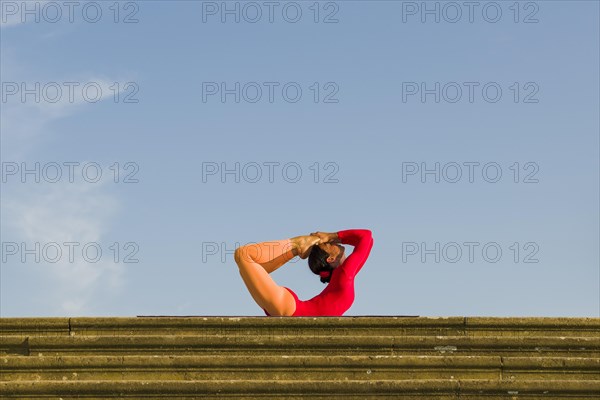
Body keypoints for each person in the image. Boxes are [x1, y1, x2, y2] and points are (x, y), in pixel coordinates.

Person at [234, 229, 373, 316]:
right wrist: (331, 236)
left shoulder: (344, 275)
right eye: (330, 244)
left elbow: (367, 238)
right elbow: (365, 238)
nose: (333, 242)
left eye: (330, 242)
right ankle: (296, 246)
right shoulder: (344, 275)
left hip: (288, 308)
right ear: (330, 258)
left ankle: (297, 248)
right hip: (288, 307)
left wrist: (331, 236)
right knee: (244, 256)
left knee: (248, 262)